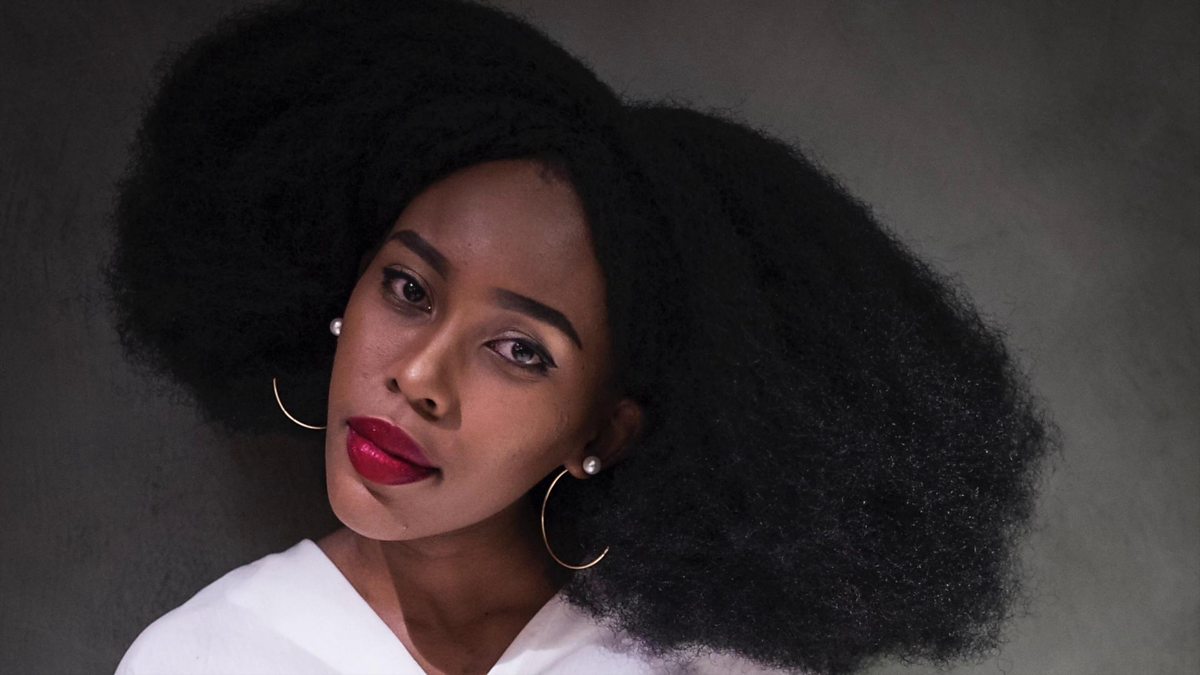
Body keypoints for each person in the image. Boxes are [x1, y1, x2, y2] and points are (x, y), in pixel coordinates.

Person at [107, 1, 1054, 673]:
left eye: (520, 349)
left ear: (601, 431)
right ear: (342, 294)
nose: (420, 374)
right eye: (408, 288)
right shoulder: (200, 657)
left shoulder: (708, 668)